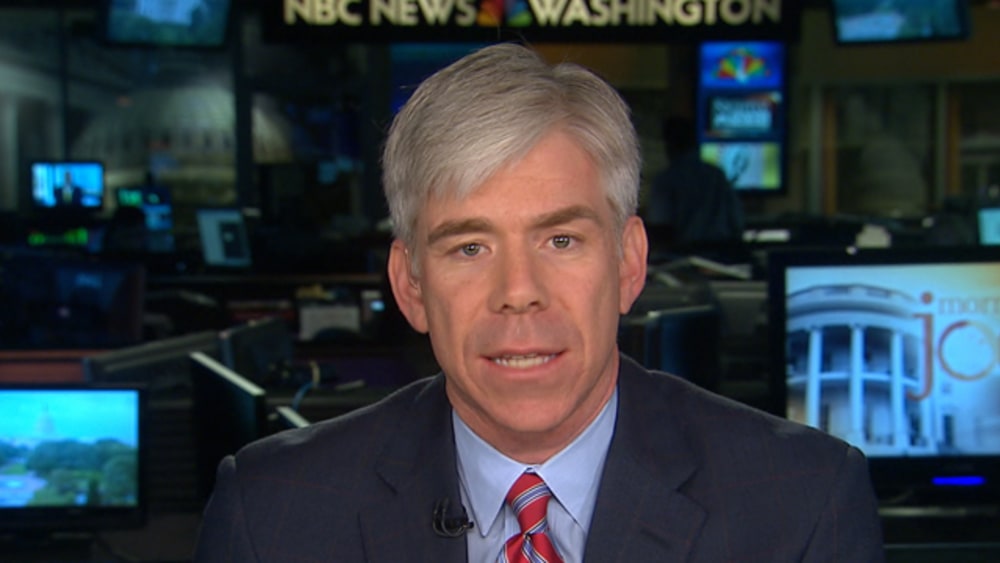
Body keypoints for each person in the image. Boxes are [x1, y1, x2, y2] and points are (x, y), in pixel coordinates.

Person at [193, 43, 884, 561]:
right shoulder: (272, 514)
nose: (518, 292)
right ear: (411, 285)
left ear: (628, 262)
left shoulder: (802, 504)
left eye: (560, 239)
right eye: (470, 247)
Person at [645, 115, 745, 251]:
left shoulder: (666, 180)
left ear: (669, 144)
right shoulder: (717, 175)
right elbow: (737, 221)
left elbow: (661, 228)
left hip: (684, 257)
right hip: (724, 255)